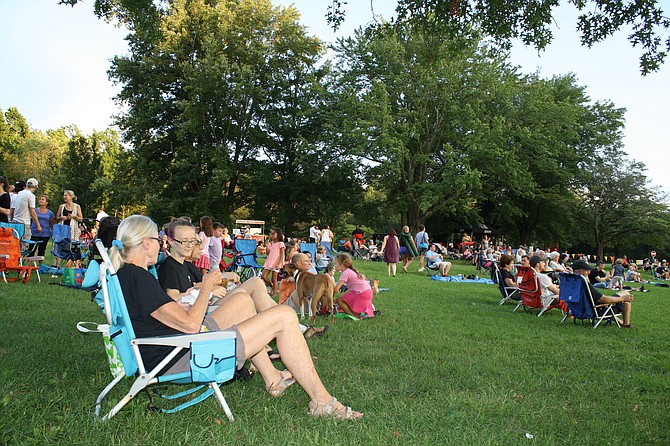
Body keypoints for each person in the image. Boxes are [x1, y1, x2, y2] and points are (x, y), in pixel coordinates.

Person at [111, 215, 361, 419]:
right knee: (284, 315)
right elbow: (188, 324)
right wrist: (206, 286)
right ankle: (321, 401)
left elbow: (171, 317)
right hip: (183, 353)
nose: (160, 245)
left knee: (242, 300)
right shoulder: (138, 277)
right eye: (156, 240)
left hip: (176, 343)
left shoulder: (129, 275)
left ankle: (273, 379)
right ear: (145, 243)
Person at [572, 259, 634, 328]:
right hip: (597, 310)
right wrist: (622, 298)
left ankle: (621, 322)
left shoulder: (571, 282)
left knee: (624, 292)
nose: (589, 273)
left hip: (578, 310)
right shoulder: (584, 284)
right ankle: (626, 324)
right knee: (626, 295)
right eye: (586, 270)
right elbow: (604, 300)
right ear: (577, 271)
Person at [334, 253, 376, 319]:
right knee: (344, 298)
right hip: (368, 292)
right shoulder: (351, 271)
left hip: (362, 293)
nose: (334, 266)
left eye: (335, 264)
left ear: (342, 265)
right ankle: (357, 315)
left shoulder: (345, 273)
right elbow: (350, 290)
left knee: (339, 300)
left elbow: (336, 289)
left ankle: (355, 316)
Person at [262, 227, 285, 295]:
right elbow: (268, 253)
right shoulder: (270, 243)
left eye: (273, 234)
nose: (271, 235)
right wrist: (267, 247)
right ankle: (273, 287)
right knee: (264, 276)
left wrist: (280, 263)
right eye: (271, 234)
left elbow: (282, 254)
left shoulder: (281, 244)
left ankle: (274, 292)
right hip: (270, 261)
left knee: (274, 278)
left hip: (276, 262)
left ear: (278, 234)